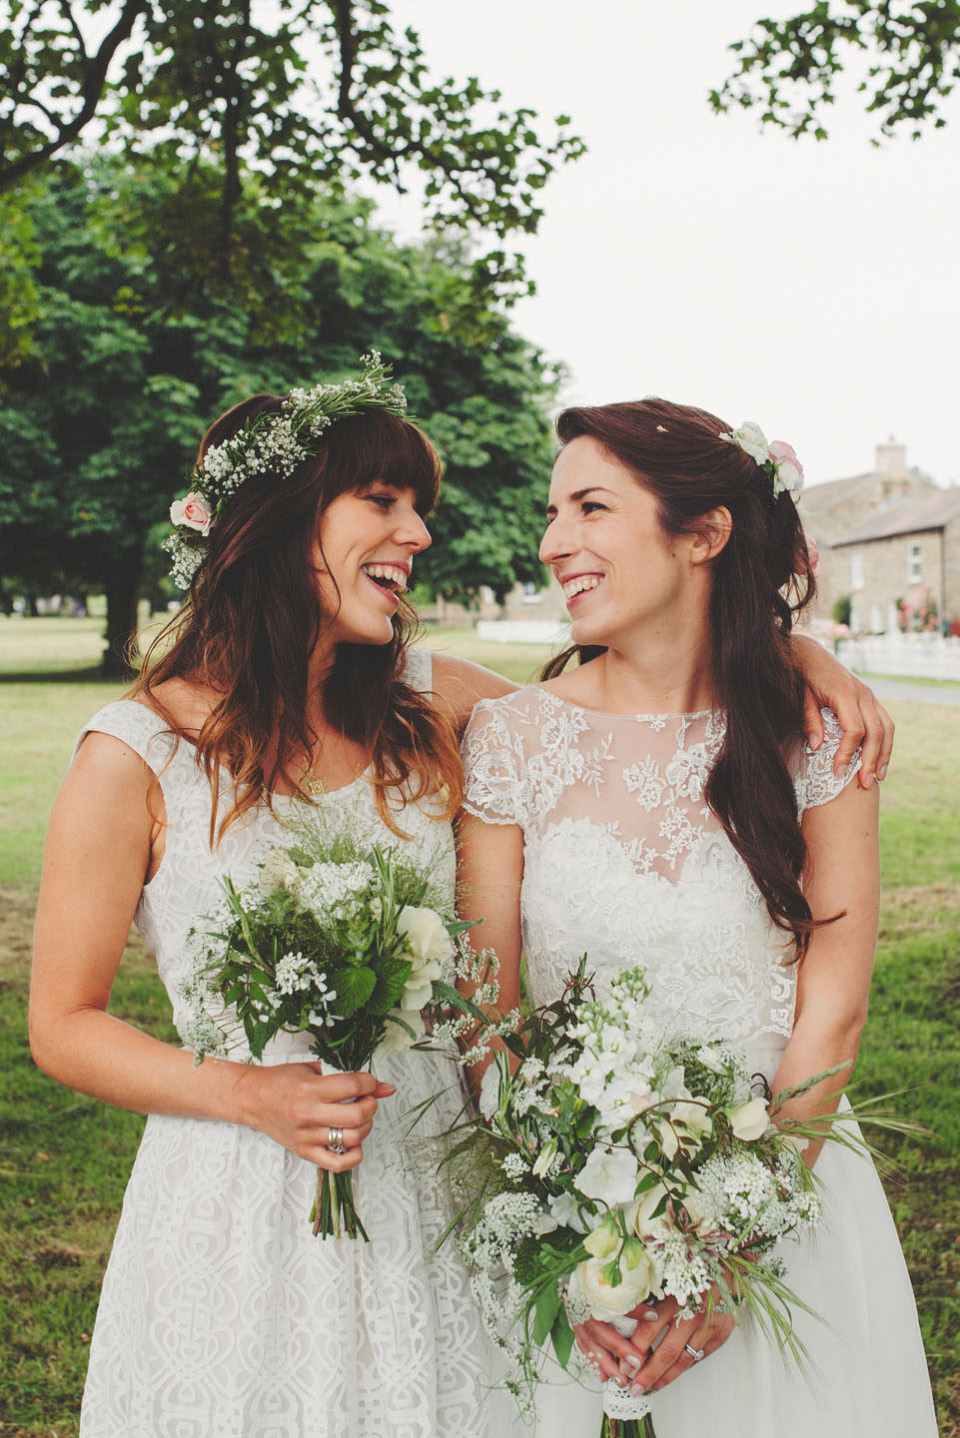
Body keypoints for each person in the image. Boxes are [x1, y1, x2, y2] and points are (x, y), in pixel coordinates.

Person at [29, 356, 892, 1438]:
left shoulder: (429, 712)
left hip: (433, 1182)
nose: (420, 535)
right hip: (243, 1191)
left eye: (419, 508)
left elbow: (632, 716)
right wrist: (251, 1091)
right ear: (279, 518)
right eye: (383, 502)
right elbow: (62, 1025)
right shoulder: (137, 754)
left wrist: (799, 650)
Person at [457, 399, 937, 1437]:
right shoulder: (508, 737)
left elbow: (833, 1017)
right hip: (572, 1218)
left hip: (784, 1196)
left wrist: (727, 1252)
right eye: (551, 513)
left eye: (590, 507)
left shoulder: (820, 734)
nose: (552, 544)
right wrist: (566, 1229)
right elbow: (485, 1010)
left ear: (704, 533)